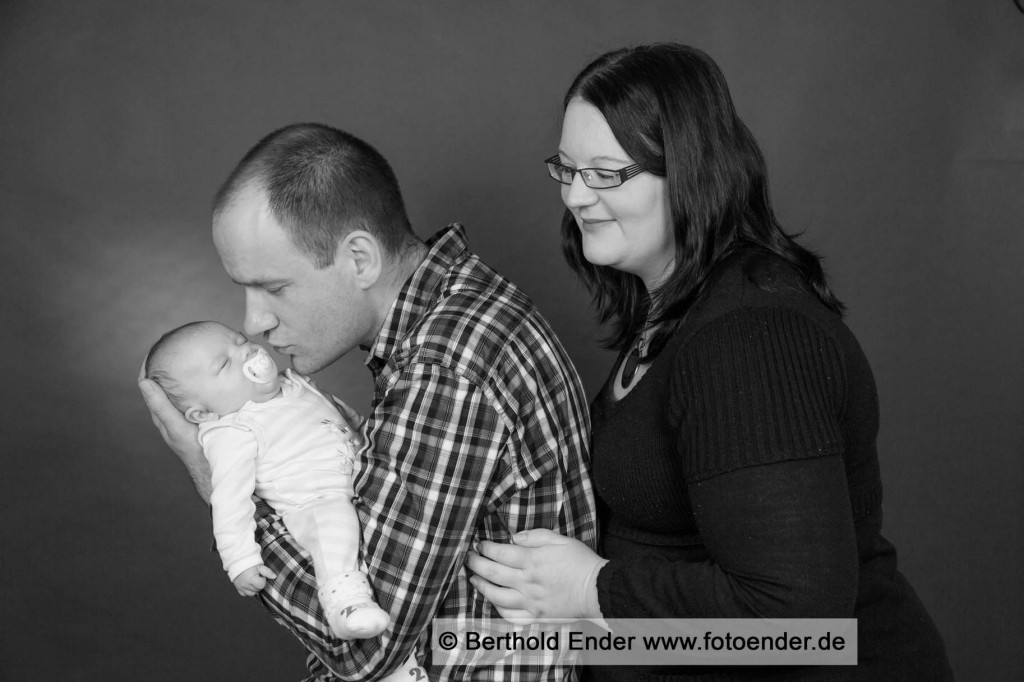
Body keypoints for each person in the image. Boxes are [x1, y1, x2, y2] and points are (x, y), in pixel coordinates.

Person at [467, 43, 953, 680]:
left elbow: (795, 622)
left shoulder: (751, 336)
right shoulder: (676, 314)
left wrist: (592, 591)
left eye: (607, 173)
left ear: (692, 173)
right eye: (567, 168)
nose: (578, 197)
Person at [138, 123, 598, 681]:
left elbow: (367, 651)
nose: (253, 322)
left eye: (274, 288)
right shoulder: (453, 313)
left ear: (359, 259)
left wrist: (218, 483)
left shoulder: (446, 365)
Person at [144, 320, 423, 681]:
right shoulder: (231, 430)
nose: (246, 351)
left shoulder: (294, 384)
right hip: (312, 504)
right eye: (225, 364)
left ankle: (409, 660)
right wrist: (240, 560)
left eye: (240, 341)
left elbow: (337, 418)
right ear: (202, 414)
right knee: (333, 528)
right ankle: (345, 602)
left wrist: (364, 433)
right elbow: (229, 499)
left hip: (357, 485)